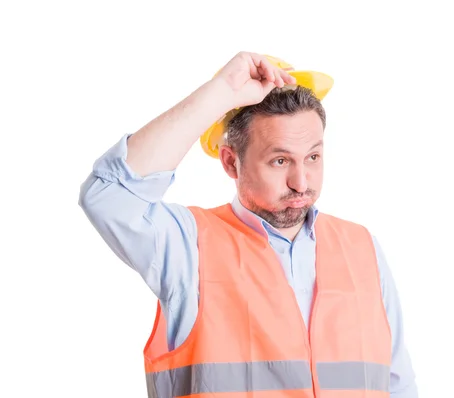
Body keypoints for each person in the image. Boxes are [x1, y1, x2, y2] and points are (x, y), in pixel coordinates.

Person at [79, 51, 418, 397]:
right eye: (280, 160)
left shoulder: (362, 248)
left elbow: (399, 385)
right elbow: (108, 196)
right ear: (230, 162)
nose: (301, 182)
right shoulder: (188, 247)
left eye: (313, 157)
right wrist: (220, 94)